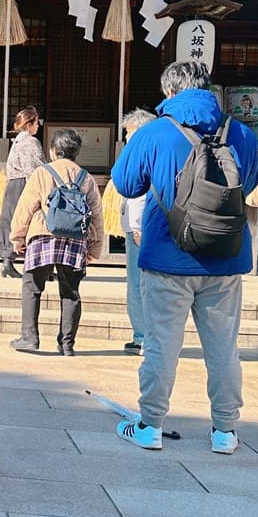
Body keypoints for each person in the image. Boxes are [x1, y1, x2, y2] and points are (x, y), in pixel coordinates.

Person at [111, 60, 258, 454]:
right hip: (225, 258)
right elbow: (248, 183)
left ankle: (149, 425)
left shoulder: (155, 132)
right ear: (208, 88)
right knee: (223, 348)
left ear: (169, 92)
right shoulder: (241, 133)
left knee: (161, 344)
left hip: (167, 255)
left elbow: (126, 184)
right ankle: (225, 432)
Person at [9, 128, 104, 356]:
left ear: (53, 150)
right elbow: (97, 216)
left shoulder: (42, 173)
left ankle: (29, 337)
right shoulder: (86, 178)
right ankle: (67, 344)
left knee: (32, 287)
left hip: (43, 235)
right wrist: (94, 248)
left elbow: (26, 207)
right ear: (76, 152)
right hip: (75, 240)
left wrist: (17, 237)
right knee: (71, 291)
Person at [0, 107, 45, 278]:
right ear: (29, 124)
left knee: (11, 220)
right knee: (27, 221)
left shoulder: (18, 141)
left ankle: (8, 261)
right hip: (24, 184)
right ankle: (32, 264)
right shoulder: (31, 142)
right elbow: (34, 168)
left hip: (13, 184)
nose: (38, 126)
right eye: (37, 123)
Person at [119, 108, 156, 353]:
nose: (126, 137)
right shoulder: (156, 152)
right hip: (151, 226)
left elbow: (137, 196)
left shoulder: (140, 154)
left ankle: (141, 337)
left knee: (137, 284)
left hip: (140, 228)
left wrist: (136, 225)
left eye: (128, 131)